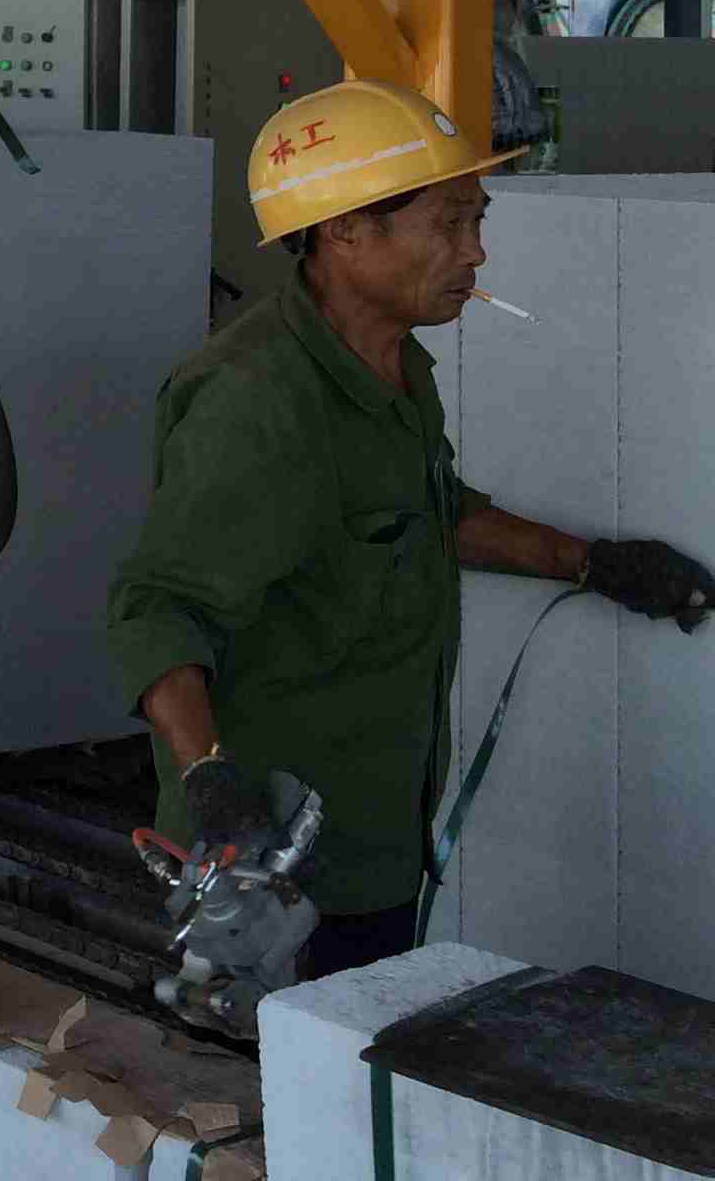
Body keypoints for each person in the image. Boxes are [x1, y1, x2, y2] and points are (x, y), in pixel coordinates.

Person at [105, 78, 710, 981]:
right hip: (276, 864)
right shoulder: (258, 402)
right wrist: (210, 782)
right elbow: (156, 609)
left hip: (380, 830)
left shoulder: (394, 367)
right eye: (449, 223)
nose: (476, 251)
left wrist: (593, 563)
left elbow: (427, 512)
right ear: (346, 229)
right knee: (292, 1057)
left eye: (478, 221)